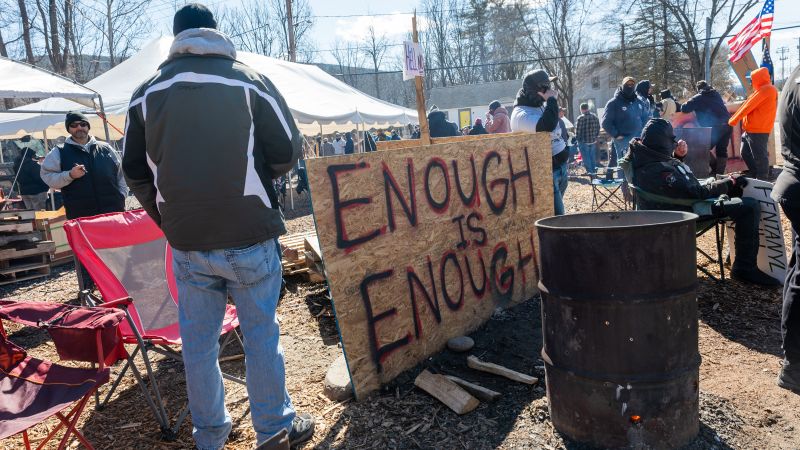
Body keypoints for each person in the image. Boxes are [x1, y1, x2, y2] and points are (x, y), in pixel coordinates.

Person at [121, 4, 314, 448]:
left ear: (176, 39)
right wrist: (258, 183)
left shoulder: (145, 93)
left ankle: (210, 436)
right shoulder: (249, 80)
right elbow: (287, 149)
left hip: (188, 239)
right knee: (261, 333)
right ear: (215, 33)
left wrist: (166, 216)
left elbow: (133, 171)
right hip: (249, 231)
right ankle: (273, 429)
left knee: (199, 343)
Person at [622, 118, 780, 286]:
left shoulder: (645, 157)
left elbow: (673, 188)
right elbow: (694, 192)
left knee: (736, 190)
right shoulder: (655, 169)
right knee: (749, 207)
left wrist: (678, 158)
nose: (674, 143)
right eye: (671, 140)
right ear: (662, 143)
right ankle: (744, 268)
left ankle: (737, 255)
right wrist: (727, 182)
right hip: (681, 214)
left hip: (672, 205)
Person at [40, 111, 127, 220]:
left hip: (114, 213)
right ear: (69, 129)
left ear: (88, 126)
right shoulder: (59, 152)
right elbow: (47, 176)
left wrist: (122, 196)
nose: (79, 127)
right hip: (82, 218)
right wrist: (70, 175)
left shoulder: (106, 148)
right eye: (74, 125)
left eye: (83, 124)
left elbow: (121, 174)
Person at [772, 63, 800, 393]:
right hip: (798, 182)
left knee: (797, 272)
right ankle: (795, 365)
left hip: (792, 181)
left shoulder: (793, 75)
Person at [510, 69, 568, 215]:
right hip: (545, 173)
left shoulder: (540, 104)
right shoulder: (521, 114)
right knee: (558, 219)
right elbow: (546, 127)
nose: (549, 90)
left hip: (560, 168)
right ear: (535, 90)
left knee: (554, 215)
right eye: (545, 87)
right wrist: (552, 100)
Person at [728, 67, 778, 180]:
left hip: (758, 130)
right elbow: (749, 105)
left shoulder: (767, 90)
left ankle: (762, 180)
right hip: (751, 129)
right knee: (745, 152)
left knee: (760, 157)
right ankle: (756, 174)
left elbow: (747, 106)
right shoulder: (762, 90)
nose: (751, 82)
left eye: (752, 79)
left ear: (758, 78)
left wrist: (733, 120)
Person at [681, 80, 734, 176]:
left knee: (701, 147)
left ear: (698, 89)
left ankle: (714, 168)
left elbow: (684, 108)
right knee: (721, 150)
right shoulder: (716, 94)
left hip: (716, 127)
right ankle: (719, 174)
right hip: (728, 125)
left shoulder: (699, 97)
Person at [601, 76, 650, 167]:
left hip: (639, 140)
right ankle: (624, 181)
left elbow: (645, 118)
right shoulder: (613, 103)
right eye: (627, 84)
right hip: (623, 140)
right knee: (624, 166)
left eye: (632, 84)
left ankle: (635, 181)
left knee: (638, 165)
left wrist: (643, 133)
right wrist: (616, 135)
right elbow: (605, 122)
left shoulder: (639, 102)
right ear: (623, 85)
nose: (630, 86)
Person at [13, 140, 49, 210]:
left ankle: (34, 221)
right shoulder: (32, 165)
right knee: (41, 213)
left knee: (30, 213)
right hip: (37, 191)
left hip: (24, 192)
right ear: (30, 155)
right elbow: (40, 178)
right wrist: (46, 186)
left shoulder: (16, 165)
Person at [575, 103, 600, 174]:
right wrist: (595, 137)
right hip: (593, 141)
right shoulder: (595, 117)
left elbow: (578, 132)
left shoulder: (580, 118)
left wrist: (577, 139)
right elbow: (598, 128)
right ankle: (594, 171)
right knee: (592, 157)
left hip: (583, 141)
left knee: (586, 158)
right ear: (588, 108)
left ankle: (590, 172)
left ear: (581, 109)